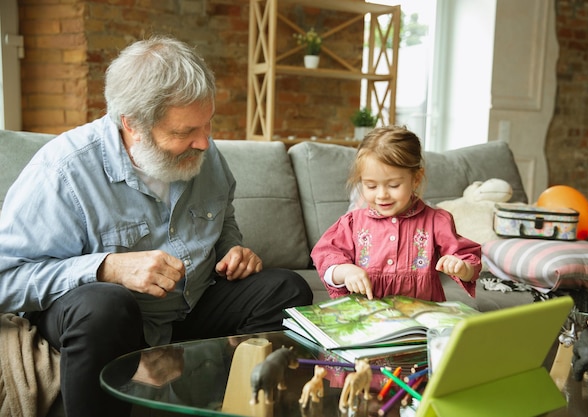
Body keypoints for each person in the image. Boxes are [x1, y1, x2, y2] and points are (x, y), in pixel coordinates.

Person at [0, 36, 313, 417]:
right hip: (108, 323)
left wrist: (233, 250)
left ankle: (230, 405)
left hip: (188, 311)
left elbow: (223, 217)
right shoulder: (63, 171)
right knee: (105, 304)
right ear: (132, 124)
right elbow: (6, 280)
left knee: (286, 289)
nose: (204, 142)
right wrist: (106, 267)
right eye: (184, 133)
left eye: (208, 124)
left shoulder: (205, 154)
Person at [311, 126, 481, 301]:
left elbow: (469, 262)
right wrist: (346, 272)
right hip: (368, 318)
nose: (382, 195)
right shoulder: (352, 223)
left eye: (393, 185)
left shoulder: (436, 220)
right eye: (371, 186)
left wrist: (462, 268)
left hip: (421, 316)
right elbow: (325, 257)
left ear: (416, 179)